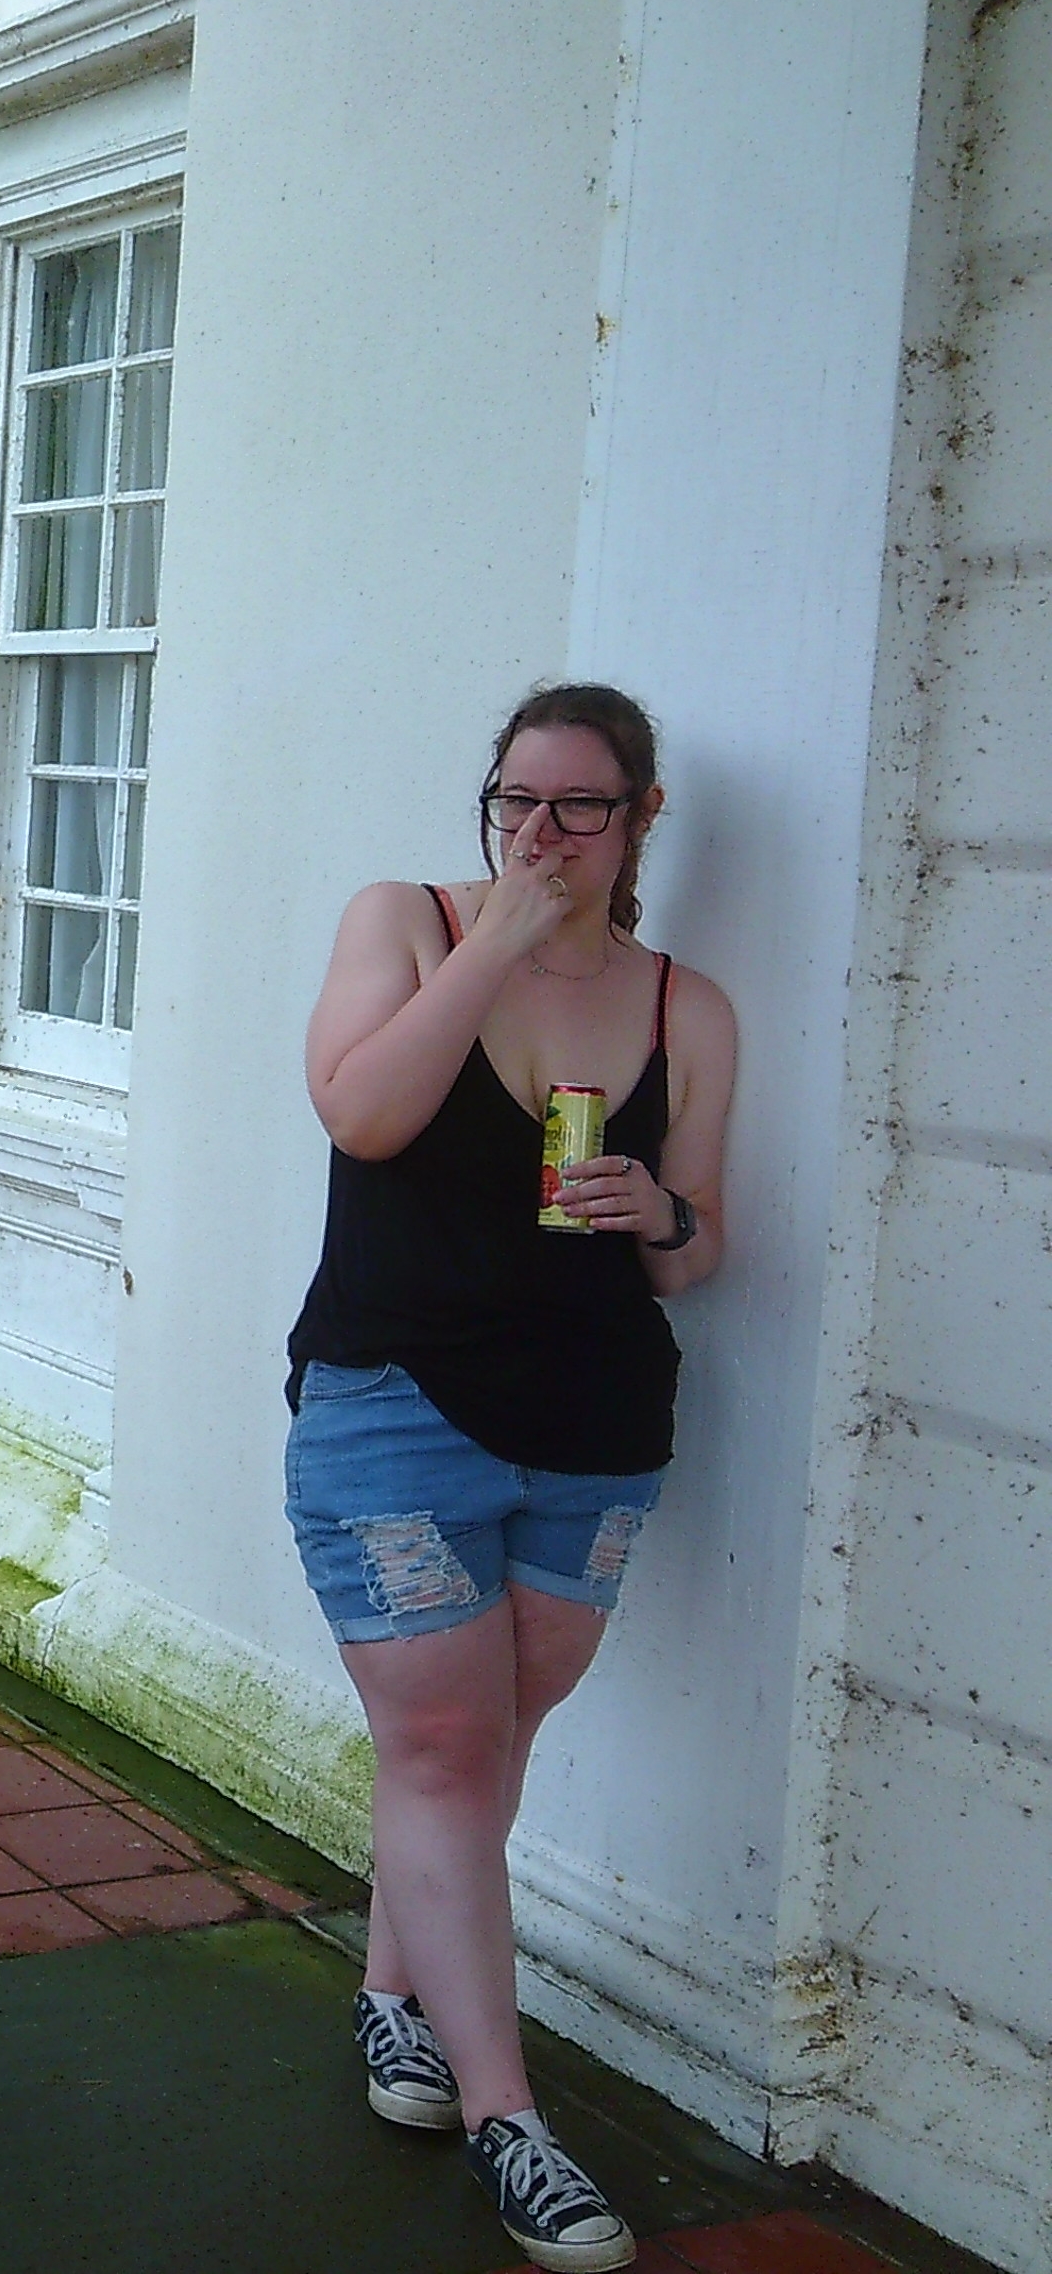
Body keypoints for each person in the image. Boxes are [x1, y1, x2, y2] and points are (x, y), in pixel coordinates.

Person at [285, 681, 735, 2274]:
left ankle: (390, 2002)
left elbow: (700, 1251)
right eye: (516, 803)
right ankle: (507, 2120)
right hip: (394, 1403)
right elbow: (361, 1110)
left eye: (580, 810)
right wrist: (494, 937)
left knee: (491, 1735)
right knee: (449, 1744)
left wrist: (654, 1216)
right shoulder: (406, 923)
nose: (542, 836)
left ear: (641, 823)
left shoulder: (687, 1004)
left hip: (596, 1427)